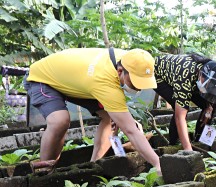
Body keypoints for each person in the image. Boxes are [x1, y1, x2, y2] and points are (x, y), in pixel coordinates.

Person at [25, 48, 161, 174]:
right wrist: (158, 164)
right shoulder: (104, 80)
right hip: (42, 78)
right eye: (135, 83)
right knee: (59, 121)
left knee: (109, 117)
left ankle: (93, 166)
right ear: (120, 71)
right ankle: (44, 173)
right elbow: (131, 130)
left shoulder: (133, 59)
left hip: (75, 80)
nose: (138, 89)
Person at [153, 53, 216, 151]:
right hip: (159, 77)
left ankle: (202, 139)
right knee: (180, 107)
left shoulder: (210, 74)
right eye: (207, 86)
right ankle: (173, 143)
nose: (208, 88)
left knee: (212, 106)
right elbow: (180, 117)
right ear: (201, 74)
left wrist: (208, 108)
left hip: (187, 78)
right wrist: (188, 150)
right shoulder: (185, 76)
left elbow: (211, 98)